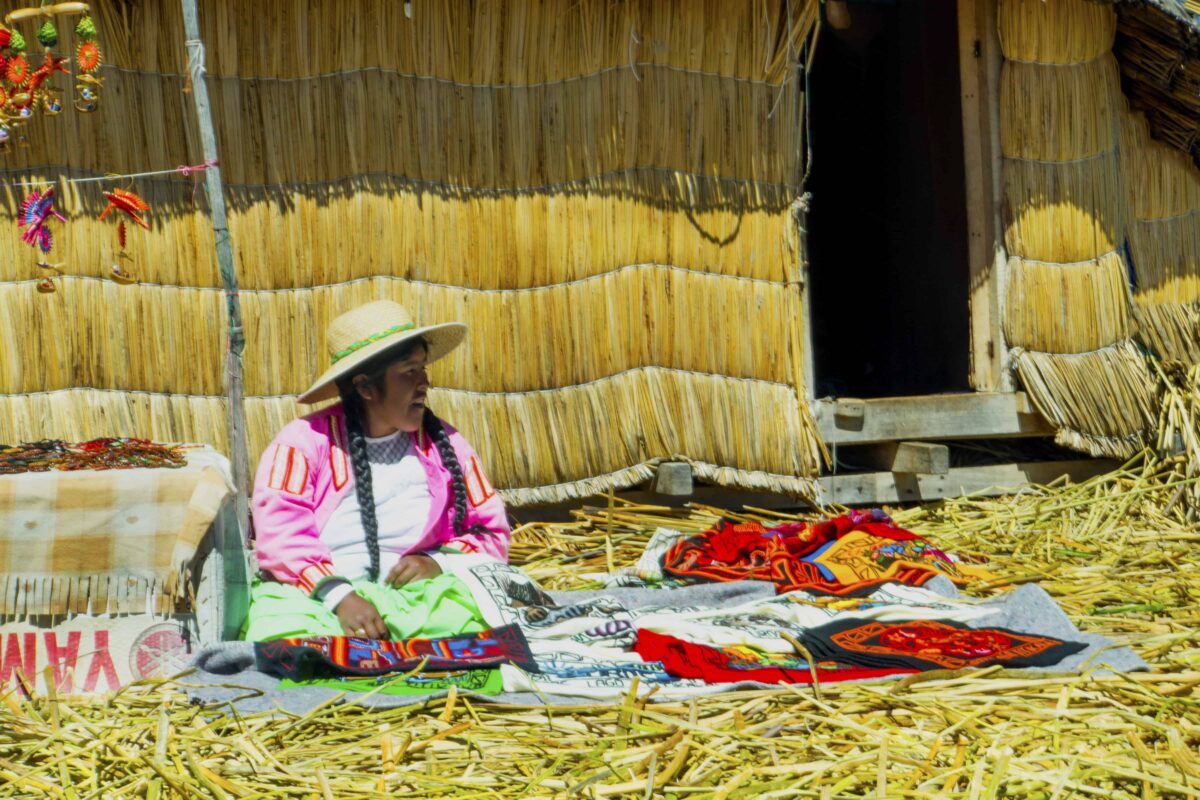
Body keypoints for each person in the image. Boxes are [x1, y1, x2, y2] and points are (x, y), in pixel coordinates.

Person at [243, 300, 510, 642]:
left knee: (473, 608)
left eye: (423, 368)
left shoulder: (447, 445)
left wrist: (440, 565)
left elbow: (491, 533)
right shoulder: (301, 444)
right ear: (366, 387)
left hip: (421, 600)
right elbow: (281, 538)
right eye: (408, 371)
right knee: (278, 625)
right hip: (323, 599)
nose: (424, 382)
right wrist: (341, 598)